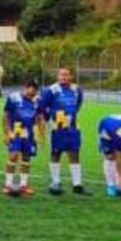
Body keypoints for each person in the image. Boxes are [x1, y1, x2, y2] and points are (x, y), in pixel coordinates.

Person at [40, 67, 86, 196]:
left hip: (72, 126)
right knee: (56, 153)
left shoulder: (76, 89)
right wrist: (50, 119)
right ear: (58, 76)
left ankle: (77, 185)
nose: (63, 77)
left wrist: (73, 115)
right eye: (61, 75)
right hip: (57, 127)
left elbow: (79, 103)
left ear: (71, 76)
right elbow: (42, 107)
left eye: (66, 75)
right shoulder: (51, 90)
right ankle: (56, 182)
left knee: (74, 153)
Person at [2, 80, 45, 198]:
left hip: (29, 134)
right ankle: (7, 184)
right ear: (25, 88)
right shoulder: (13, 98)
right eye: (29, 93)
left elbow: (40, 118)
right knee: (13, 155)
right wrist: (7, 133)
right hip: (15, 132)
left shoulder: (38, 101)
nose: (31, 95)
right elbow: (5, 116)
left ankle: (23, 185)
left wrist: (41, 136)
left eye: (34, 93)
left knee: (26, 157)